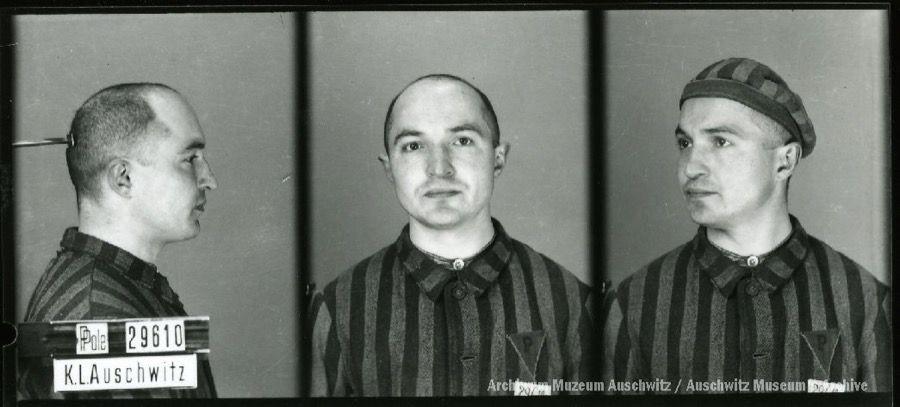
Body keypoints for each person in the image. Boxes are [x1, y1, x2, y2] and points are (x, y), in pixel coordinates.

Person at [601, 58, 891, 393]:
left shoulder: (865, 303)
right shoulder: (634, 303)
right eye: (685, 143)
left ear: (784, 162)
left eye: (720, 141)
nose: (690, 167)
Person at [308, 74, 595, 396]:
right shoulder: (338, 309)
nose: (439, 168)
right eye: (413, 146)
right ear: (389, 167)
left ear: (498, 158)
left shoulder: (571, 303)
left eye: (462, 141)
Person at [18, 83, 218, 399]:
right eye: (190, 158)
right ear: (123, 178)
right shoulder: (101, 317)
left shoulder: (113, 287)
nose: (209, 179)